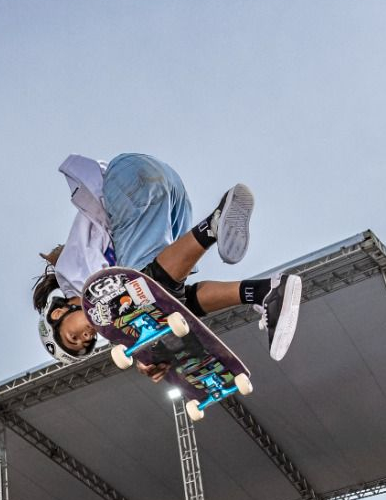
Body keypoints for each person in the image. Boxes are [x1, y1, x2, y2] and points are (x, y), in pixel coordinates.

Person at [33, 153, 303, 369]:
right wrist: (151, 348)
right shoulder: (93, 295)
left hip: (127, 182)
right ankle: (264, 291)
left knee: (145, 290)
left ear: (58, 314)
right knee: (175, 299)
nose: (88, 336)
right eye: (87, 343)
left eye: (74, 336)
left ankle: (212, 226)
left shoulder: (75, 278)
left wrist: (145, 347)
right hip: (167, 190)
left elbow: (129, 298)